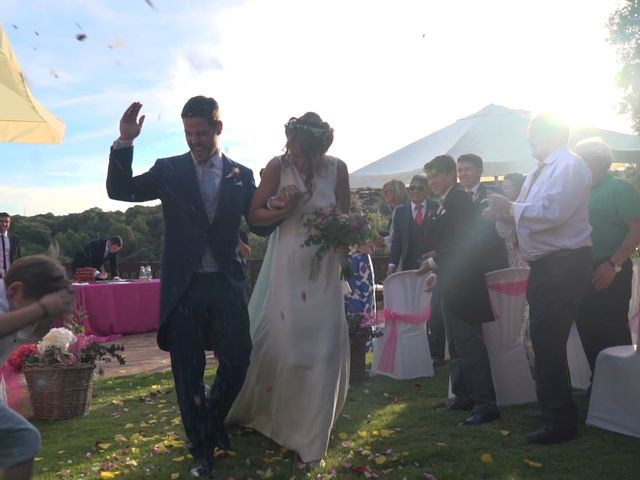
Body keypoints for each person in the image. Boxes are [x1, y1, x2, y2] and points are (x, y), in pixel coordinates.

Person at [106, 97, 274, 478]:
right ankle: (201, 448)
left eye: (201, 132)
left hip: (226, 283)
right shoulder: (169, 169)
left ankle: (211, 419)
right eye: (188, 133)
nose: (194, 140)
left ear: (218, 128)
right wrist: (125, 142)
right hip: (185, 288)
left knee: (238, 359)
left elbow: (259, 226)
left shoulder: (241, 175)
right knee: (188, 370)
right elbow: (121, 190)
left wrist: (278, 204)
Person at [227, 112, 350, 464]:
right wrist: (284, 208)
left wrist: (343, 241)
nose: (296, 159)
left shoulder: (338, 169)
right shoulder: (277, 167)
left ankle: (313, 436)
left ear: (320, 150)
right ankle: (281, 417)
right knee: (291, 344)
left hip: (324, 266)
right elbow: (253, 217)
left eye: (303, 155)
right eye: (292, 151)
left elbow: (344, 217)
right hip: (290, 264)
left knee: (325, 346)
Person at [484, 113, 592, 444]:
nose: (530, 138)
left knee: (547, 338)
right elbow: (525, 212)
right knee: (543, 337)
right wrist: (503, 215)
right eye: (529, 132)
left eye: (536, 132)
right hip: (545, 265)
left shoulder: (569, 166)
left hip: (565, 262)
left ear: (557, 133)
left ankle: (559, 420)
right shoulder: (537, 171)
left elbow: (551, 212)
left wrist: (511, 208)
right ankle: (553, 407)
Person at [417, 155, 500, 427]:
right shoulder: (449, 201)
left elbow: (464, 242)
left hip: (465, 284)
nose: (432, 183)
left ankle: (485, 405)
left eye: (436, 177)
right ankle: (463, 396)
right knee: (455, 344)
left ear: (451, 175)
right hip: (452, 282)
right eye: (429, 178)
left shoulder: (459, 200)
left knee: (470, 345)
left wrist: (432, 262)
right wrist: (437, 257)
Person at [0, 255, 75, 480]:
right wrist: (42, 307)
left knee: (23, 439)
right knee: (23, 438)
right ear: (13, 290)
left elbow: (30, 332)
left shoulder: (14, 307)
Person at [575, 138, 640, 371]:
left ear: (599, 161)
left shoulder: (620, 188)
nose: (577, 165)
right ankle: (600, 383)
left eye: (581, 159)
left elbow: (637, 228)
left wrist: (614, 265)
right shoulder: (578, 190)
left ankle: (623, 386)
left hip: (610, 266)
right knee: (587, 328)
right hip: (580, 268)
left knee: (611, 330)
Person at [380, 179, 409, 251]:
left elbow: (397, 236)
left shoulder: (402, 211)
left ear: (396, 192)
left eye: (386, 192)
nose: (384, 194)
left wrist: (380, 240)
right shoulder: (399, 209)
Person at [0, 212, 21, 279]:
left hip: (10, 277)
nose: (4, 224)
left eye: (7, 222)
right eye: (1, 221)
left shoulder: (14, 239)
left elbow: (18, 258)